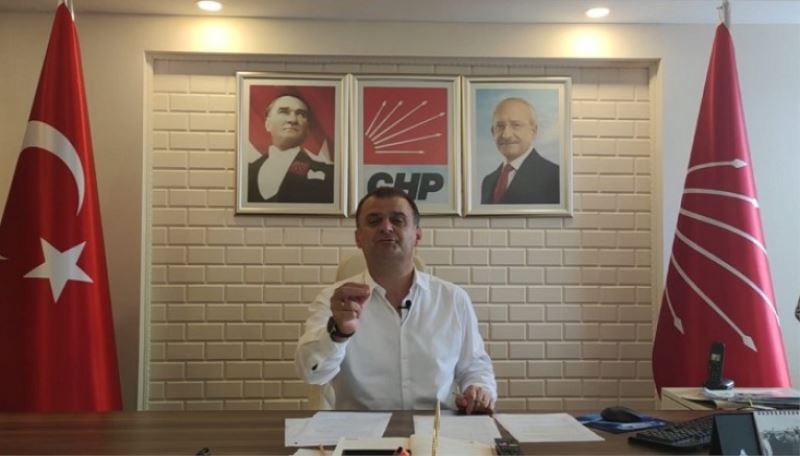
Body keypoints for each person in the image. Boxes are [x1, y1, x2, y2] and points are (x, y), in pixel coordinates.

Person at [294, 187, 497, 413]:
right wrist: (338, 333)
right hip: (360, 428)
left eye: (398, 220)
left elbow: (475, 366)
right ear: (358, 238)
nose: (386, 227)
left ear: (417, 235)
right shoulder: (333, 300)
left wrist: (478, 389)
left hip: (437, 426)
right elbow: (311, 374)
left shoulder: (453, 299)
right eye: (374, 221)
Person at [247, 93, 334, 203]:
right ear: (268, 124)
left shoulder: (329, 173)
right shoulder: (247, 171)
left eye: (300, 114)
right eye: (284, 112)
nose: (292, 120)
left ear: (307, 128)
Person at [480, 97, 560, 205]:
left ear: (534, 131)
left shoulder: (555, 176)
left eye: (516, 125)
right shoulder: (488, 182)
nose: (506, 135)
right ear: (493, 132)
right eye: (500, 126)